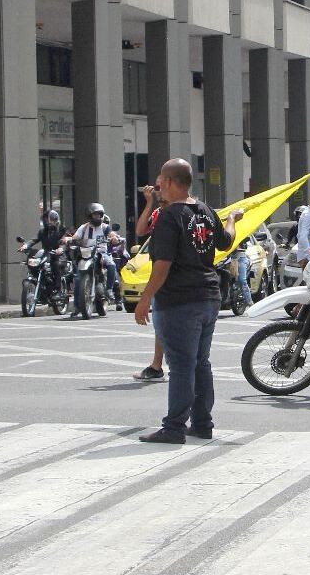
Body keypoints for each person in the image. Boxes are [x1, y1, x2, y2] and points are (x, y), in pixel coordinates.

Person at [135, 158, 241, 444]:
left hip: (180, 300)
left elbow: (162, 264)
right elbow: (226, 241)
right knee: (200, 363)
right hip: (208, 296)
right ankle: (202, 423)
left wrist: (145, 299)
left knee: (182, 365)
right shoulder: (205, 211)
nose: (157, 185)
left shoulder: (170, 216)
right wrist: (231, 219)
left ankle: (174, 428)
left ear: (169, 182)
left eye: (160, 180)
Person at [133, 185, 168, 382]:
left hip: (175, 276)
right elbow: (140, 230)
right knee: (161, 322)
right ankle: (157, 366)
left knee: (169, 322)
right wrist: (149, 202)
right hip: (161, 275)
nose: (156, 190)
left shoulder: (181, 212)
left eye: (160, 186)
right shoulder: (158, 213)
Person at [72, 202, 123, 305]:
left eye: (99, 215)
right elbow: (75, 237)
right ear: (90, 215)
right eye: (95, 215)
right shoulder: (84, 227)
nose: (97, 217)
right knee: (78, 278)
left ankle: (109, 289)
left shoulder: (105, 227)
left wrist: (114, 238)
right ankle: (77, 306)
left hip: (102, 253)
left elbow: (112, 234)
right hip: (87, 253)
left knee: (111, 265)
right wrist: (69, 239)